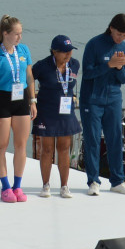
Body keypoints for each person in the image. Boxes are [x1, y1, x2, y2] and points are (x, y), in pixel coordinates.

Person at [0, 15, 36, 203]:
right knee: (1, 145)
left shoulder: (24, 50)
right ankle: (5, 186)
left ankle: (18, 185)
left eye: (21, 34)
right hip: (2, 99)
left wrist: (33, 100)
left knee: (21, 145)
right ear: (5, 33)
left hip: (21, 98)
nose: (20, 37)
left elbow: (29, 77)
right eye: (16, 34)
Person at [80, 13, 125, 196]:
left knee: (115, 139)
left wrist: (119, 67)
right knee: (92, 139)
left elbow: (124, 79)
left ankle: (117, 181)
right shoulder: (95, 44)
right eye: (118, 34)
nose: (121, 38)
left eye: (124, 36)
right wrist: (109, 65)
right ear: (111, 28)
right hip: (92, 99)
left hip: (114, 99)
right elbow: (88, 73)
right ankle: (93, 180)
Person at [32, 36, 82, 199]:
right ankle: (46, 185)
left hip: (65, 112)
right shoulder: (42, 65)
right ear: (54, 51)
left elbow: (71, 84)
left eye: (70, 51)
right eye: (64, 52)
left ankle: (64, 186)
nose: (68, 54)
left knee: (64, 149)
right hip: (47, 111)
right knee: (46, 150)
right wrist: (32, 100)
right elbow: (28, 80)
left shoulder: (74, 64)